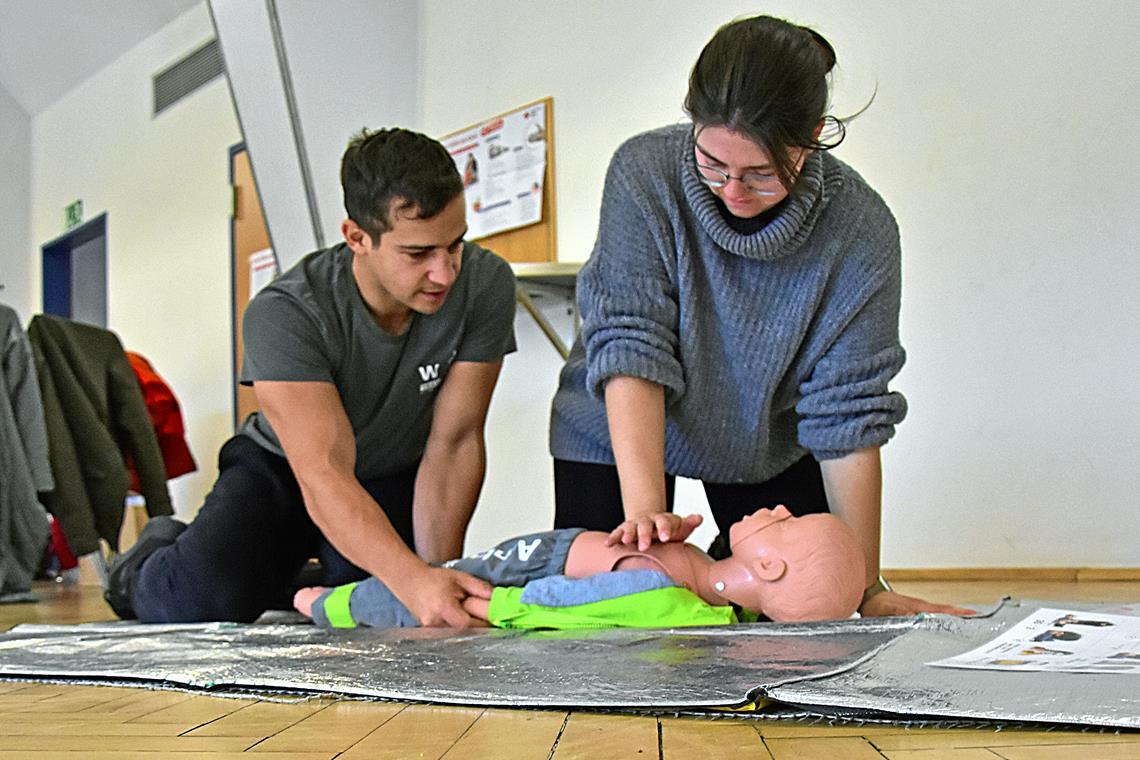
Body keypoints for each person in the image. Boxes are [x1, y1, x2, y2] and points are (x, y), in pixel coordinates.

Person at [548, 14, 971, 618]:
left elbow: (847, 416)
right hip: (619, 432)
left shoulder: (861, 231)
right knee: (609, 617)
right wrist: (644, 515)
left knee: (800, 611)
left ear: (812, 139)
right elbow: (629, 345)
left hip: (764, 442)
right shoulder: (644, 173)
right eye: (712, 164)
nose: (732, 191)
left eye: (761, 174)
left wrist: (865, 586)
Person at [105, 128, 518, 626]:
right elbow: (322, 472)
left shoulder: (485, 283)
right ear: (357, 238)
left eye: (455, 245)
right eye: (418, 254)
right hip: (285, 466)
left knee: (378, 604)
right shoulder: (285, 312)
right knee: (203, 602)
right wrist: (409, 581)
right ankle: (148, 558)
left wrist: (431, 579)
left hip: (392, 468)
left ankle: (290, 577)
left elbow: (453, 442)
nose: (445, 273)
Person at [294, 505, 867, 629]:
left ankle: (323, 604)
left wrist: (494, 606)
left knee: (426, 589)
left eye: (789, 525)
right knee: (432, 572)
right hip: (549, 546)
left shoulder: (673, 601)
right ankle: (327, 590)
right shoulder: (707, 577)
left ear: (766, 566)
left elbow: (571, 606)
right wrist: (663, 535)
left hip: (524, 574)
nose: (780, 509)